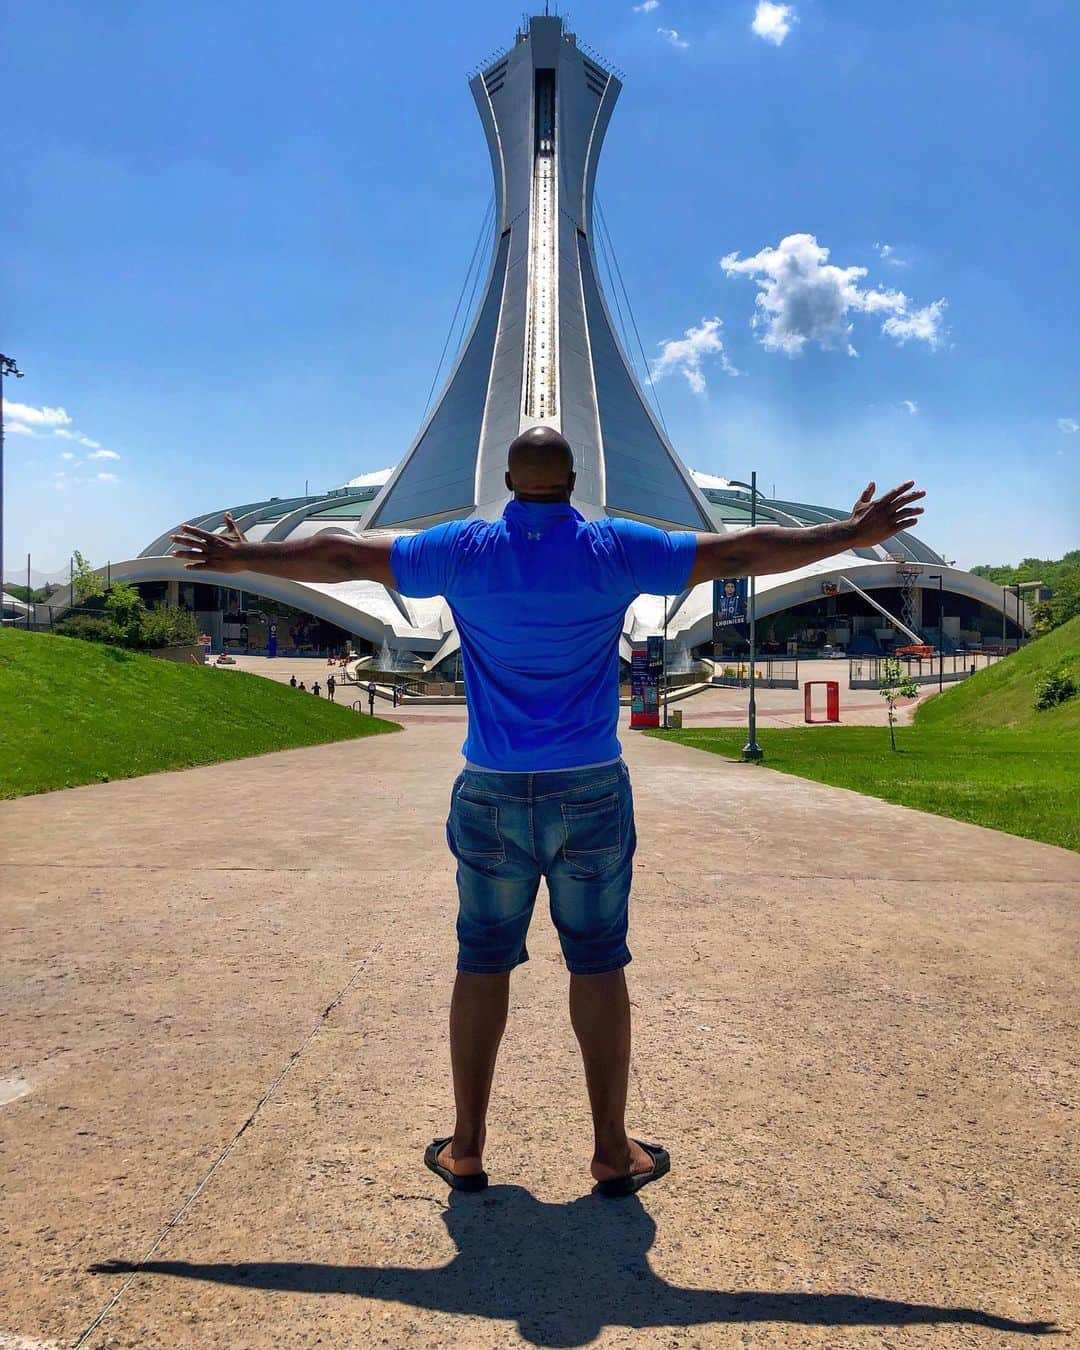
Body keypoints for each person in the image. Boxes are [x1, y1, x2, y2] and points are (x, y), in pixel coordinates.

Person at [171, 433, 924, 1197]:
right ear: (572, 481)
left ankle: (466, 1148)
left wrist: (246, 559)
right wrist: (850, 536)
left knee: (482, 958)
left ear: (504, 482)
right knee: (597, 961)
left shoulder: (463, 549)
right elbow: (736, 553)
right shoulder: (614, 548)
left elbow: (346, 555)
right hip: (589, 788)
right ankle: (609, 1151)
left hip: (492, 789)